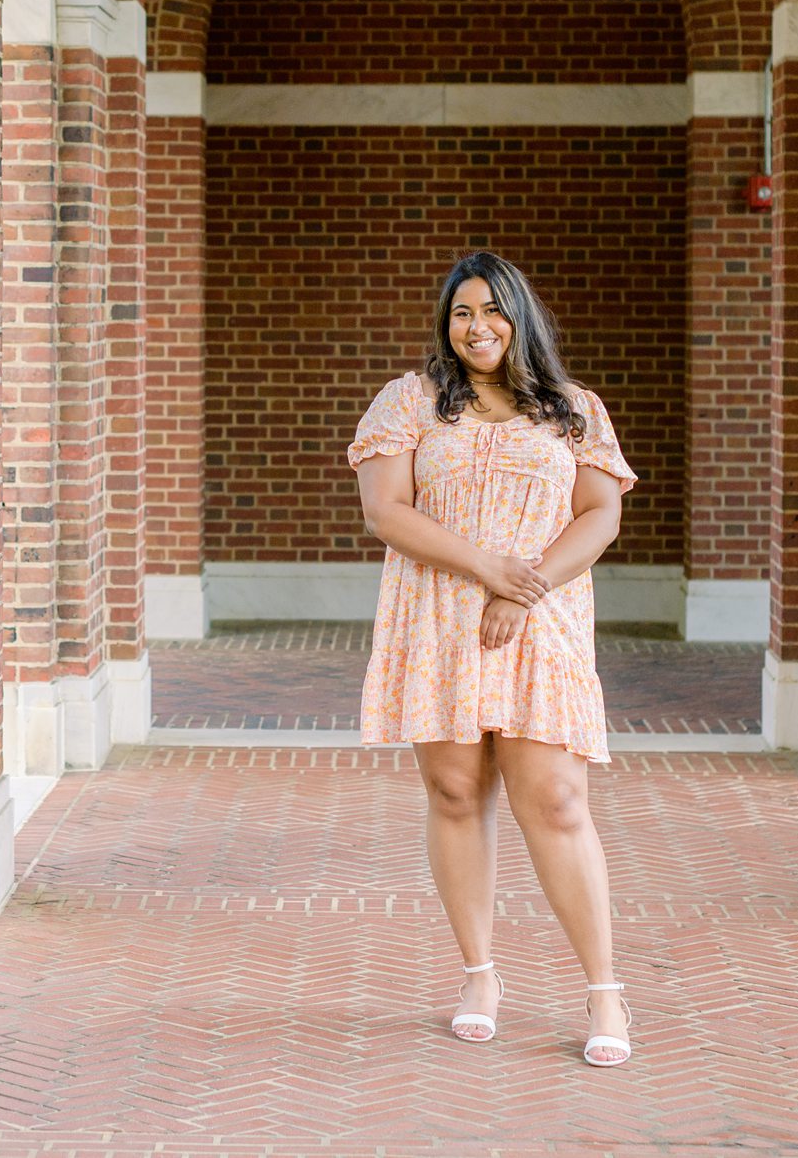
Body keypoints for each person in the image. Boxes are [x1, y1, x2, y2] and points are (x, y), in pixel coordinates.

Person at [346, 251, 638, 1067]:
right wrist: (486, 568)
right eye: (461, 312)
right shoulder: (410, 401)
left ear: (521, 316)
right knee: (454, 788)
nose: (477, 327)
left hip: (537, 619)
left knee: (554, 798)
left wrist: (523, 586)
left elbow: (599, 515)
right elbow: (386, 510)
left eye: (492, 310)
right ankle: (479, 974)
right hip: (437, 616)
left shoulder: (574, 410)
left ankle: (604, 987)